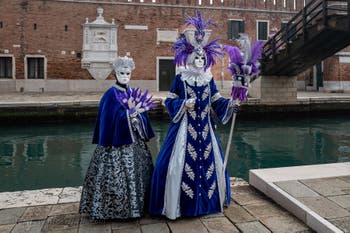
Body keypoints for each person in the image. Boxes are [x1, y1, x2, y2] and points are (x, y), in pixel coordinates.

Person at [149, 11, 238, 220]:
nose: (199, 60)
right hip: (184, 130)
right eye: (196, 57)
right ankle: (178, 206)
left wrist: (231, 104)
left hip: (206, 132)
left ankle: (208, 203)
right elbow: (169, 101)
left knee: (212, 167)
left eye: (202, 57)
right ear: (190, 58)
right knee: (168, 168)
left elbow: (216, 101)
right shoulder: (181, 79)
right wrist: (183, 103)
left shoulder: (209, 80)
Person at [79, 56, 154, 220]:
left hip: (134, 144)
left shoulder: (131, 92)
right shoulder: (110, 95)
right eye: (122, 73)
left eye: (128, 73)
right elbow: (110, 119)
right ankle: (114, 209)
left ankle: (137, 207)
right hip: (115, 145)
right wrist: (130, 114)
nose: (125, 76)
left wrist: (138, 117)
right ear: (115, 73)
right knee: (115, 178)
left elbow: (141, 115)